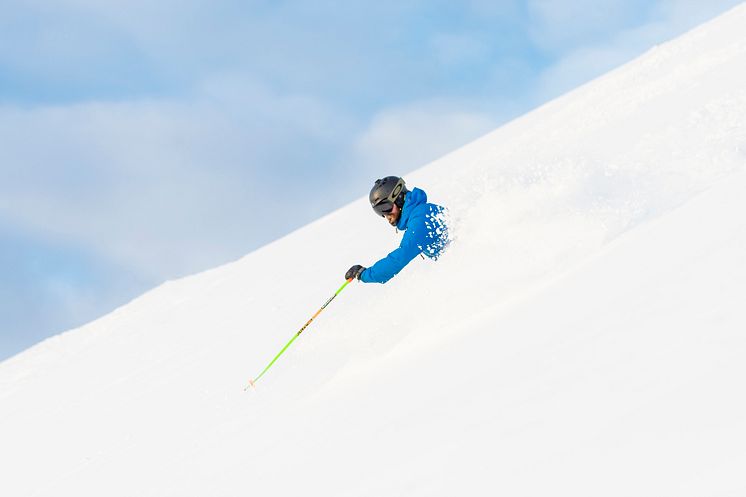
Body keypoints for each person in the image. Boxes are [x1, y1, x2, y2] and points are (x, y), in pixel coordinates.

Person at [345, 176, 448, 284]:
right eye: (380, 212)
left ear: (398, 198)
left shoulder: (421, 217)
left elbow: (400, 257)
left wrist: (364, 274)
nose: (386, 216)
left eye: (385, 207)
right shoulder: (420, 213)